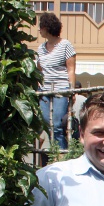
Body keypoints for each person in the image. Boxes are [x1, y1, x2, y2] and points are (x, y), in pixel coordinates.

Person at [37, 12, 76, 151]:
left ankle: (60, 154)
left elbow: (71, 69)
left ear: (47, 27)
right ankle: (52, 151)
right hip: (45, 90)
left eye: (40, 27)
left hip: (61, 89)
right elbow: (39, 69)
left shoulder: (65, 45)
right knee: (46, 122)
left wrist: (72, 91)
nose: (39, 30)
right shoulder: (40, 49)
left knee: (58, 125)